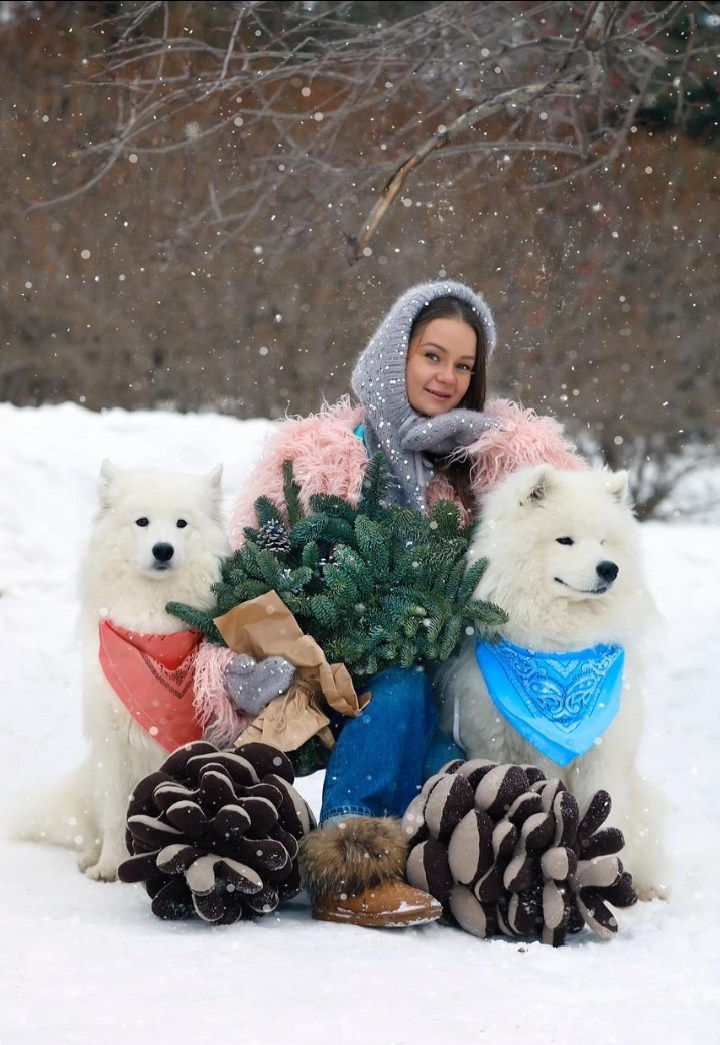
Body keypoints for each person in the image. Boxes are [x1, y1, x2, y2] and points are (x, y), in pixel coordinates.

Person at [194, 280, 583, 928]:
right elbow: (256, 560)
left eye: (464, 365)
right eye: (433, 355)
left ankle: (477, 873)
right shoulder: (324, 455)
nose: (447, 377)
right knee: (398, 688)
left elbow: (562, 511)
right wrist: (292, 636)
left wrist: (508, 444)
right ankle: (348, 869)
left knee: (447, 773)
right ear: (394, 354)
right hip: (328, 673)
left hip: (442, 680)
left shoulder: (473, 463)